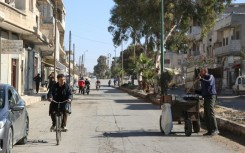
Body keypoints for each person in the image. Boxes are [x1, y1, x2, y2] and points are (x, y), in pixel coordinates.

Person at [198, 68, 219, 136]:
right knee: (206, 114)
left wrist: (201, 79)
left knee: (210, 111)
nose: (200, 73)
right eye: (200, 71)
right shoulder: (203, 80)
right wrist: (195, 91)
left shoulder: (210, 77)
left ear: (205, 71)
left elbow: (209, 83)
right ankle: (210, 130)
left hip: (211, 96)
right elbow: (203, 90)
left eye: (201, 71)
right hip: (206, 97)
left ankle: (215, 129)